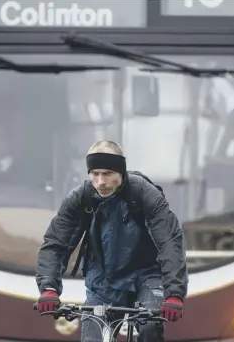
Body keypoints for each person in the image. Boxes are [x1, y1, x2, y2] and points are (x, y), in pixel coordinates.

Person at [35, 140, 188, 342]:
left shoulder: (144, 193)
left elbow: (170, 241)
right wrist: (48, 287)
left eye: (107, 174)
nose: (100, 181)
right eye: (95, 174)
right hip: (103, 279)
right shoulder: (80, 198)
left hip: (148, 275)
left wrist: (174, 293)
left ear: (121, 173)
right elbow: (56, 243)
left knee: (150, 327)